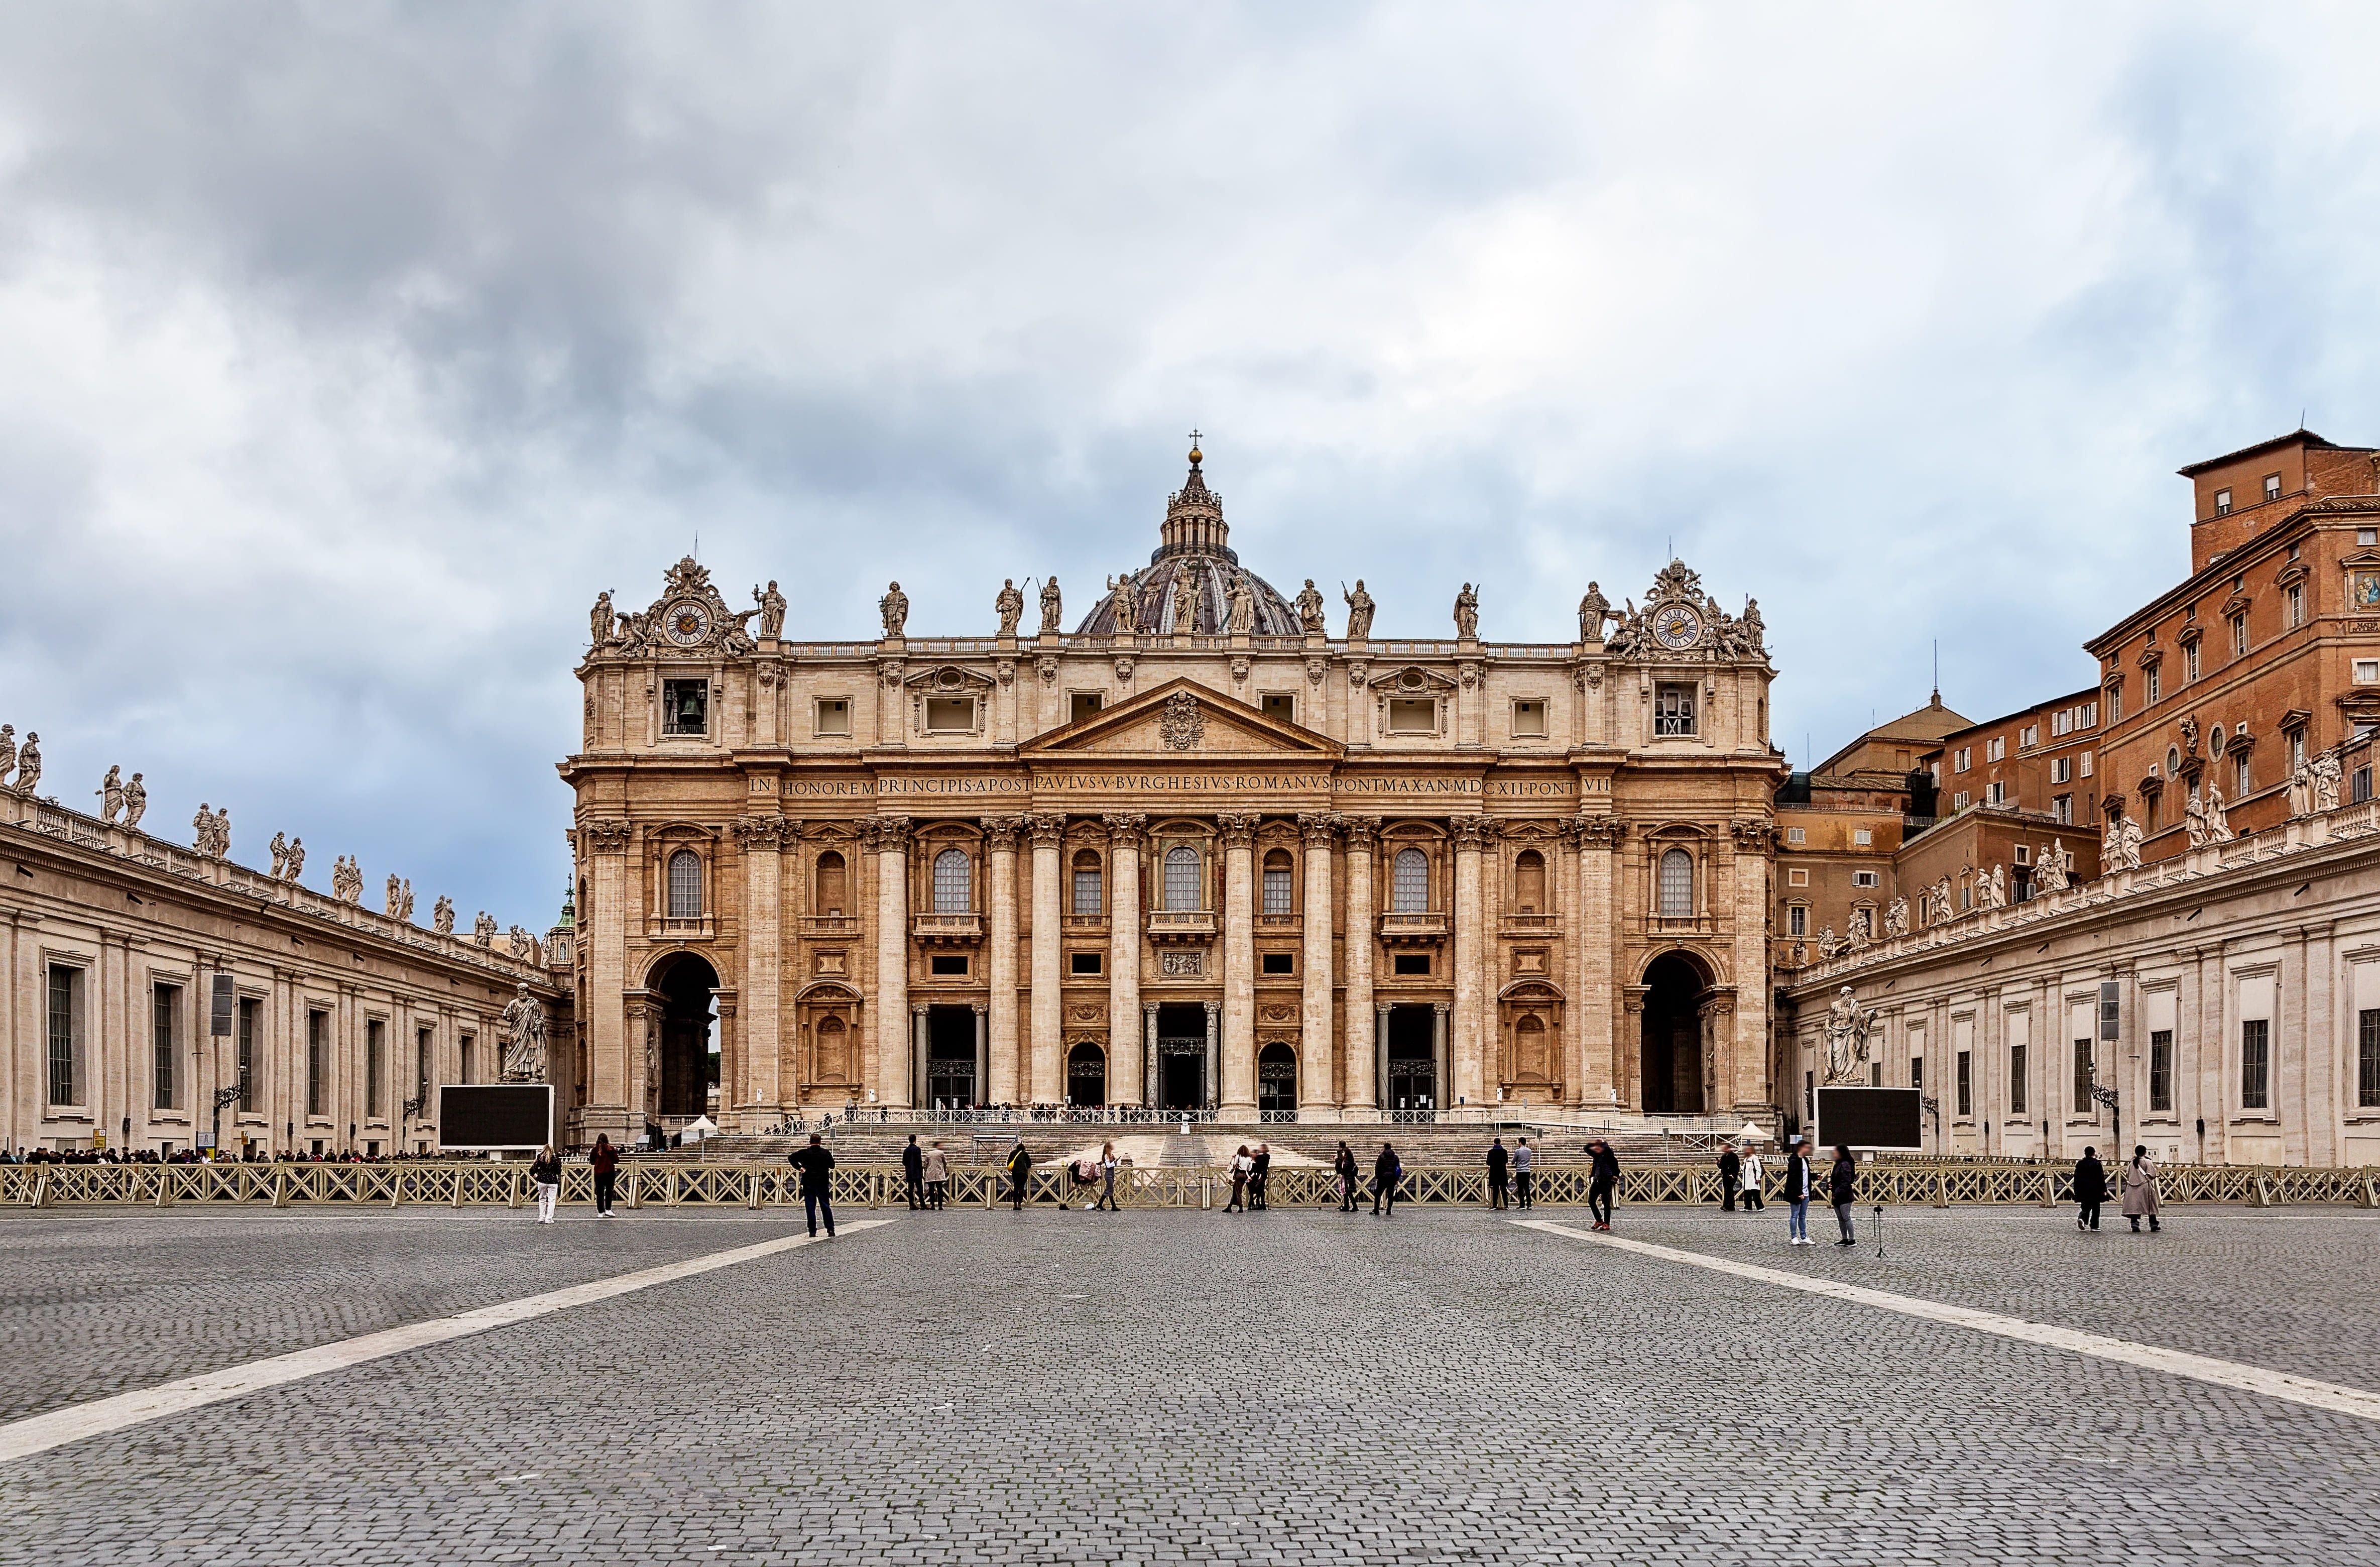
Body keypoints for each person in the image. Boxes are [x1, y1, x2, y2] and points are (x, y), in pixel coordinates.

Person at [790, 1134, 836, 1238]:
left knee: (810, 1208)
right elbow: (832, 1166)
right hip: (822, 1183)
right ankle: (830, 1229)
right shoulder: (825, 1153)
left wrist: (800, 1168)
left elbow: (791, 1158)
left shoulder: (805, 1153)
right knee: (825, 1206)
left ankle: (812, 1231)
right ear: (820, 1142)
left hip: (809, 1183)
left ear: (810, 1142)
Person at [1780, 1136, 1815, 1246]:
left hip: (1806, 1192)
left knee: (1803, 1216)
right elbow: (1793, 1178)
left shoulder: (1805, 1160)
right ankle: (1794, 1236)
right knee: (1794, 1215)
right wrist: (1799, 1192)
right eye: (1807, 1148)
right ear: (1801, 1148)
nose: (1809, 1150)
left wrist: (1815, 1176)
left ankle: (1804, 1236)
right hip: (1796, 1193)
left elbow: (1805, 1175)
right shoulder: (1794, 1161)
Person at [2120, 1145, 2162, 1233]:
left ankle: (2135, 1225)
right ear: (2145, 1152)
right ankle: (2153, 1225)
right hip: (2144, 1187)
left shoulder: (2132, 1163)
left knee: (2135, 1208)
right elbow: (2152, 1174)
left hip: (2132, 1188)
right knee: (2151, 1207)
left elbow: (2128, 1174)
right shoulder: (2148, 1162)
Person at [1586, 1138, 1620, 1232]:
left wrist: (1603, 1144)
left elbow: (1617, 1171)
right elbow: (1586, 1148)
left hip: (1606, 1182)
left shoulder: (1611, 1158)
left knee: (1606, 1204)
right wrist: (1593, 1142)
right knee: (1591, 1201)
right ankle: (1599, 1220)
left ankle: (1607, 1223)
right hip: (1597, 1181)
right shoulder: (1597, 1157)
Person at [2072, 1146, 2107, 1233]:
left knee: (2086, 1205)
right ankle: (2094, 1226)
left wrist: (2076, 1189)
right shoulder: (2097, 1163)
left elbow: (2076, 1178)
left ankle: (2083, 1218)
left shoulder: (2080, 1164)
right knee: (2096, 1207)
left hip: (2083, 1188)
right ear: (2094, 1153)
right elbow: (2101, 1178)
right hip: (2095, 1189)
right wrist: (2104, 1190)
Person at [1829, 1144, 1858, 1246]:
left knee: (1846, 1217)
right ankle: (1845, 1238)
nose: (1834, 1153)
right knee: (1841, 1219)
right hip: (1837, 1194)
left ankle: (1852, 1239)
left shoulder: (1845, 1164)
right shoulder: (1838, 1164)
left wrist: (1836, 1193)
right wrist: (1830, 1186)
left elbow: (1845, 1182)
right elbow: (1836, 1179)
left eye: (1836, 1152)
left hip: (1844, 1195)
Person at [529, 1144, 562, 1224]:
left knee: (542, 1199)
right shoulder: (556, 1159)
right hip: (552, 1181)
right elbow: (559, 1171)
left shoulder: (540, 1158)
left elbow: (533, 1169)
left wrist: (536, 1176)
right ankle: (549, 1218)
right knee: (552, 1200)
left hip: (542, 1180)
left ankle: (542, 1217)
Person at [589, 1133, 619, 1218]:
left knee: (600, 1193)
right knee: (609, 1191)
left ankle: (601, 1212)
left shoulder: (595, 1149)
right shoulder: (611, 1149)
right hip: (610, 1172)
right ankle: (608, 1210)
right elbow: (617, 1160)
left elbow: (592, 1162)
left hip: (599, 1173)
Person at [1372, 1142, 1402, 1217]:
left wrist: (1378, 1177)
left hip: (1382, 1178)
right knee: (1391, 1195)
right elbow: (1398, 1169)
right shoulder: (1396, 1158)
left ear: (1384, 1148)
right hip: (1392, 1178)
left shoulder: (1381, 1157)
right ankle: (1389, 1210)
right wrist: (1396, 1178)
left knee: (1378, 1194)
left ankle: (1376, 1210)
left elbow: (1377, 1168)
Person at [921, 1140, 949, 1210]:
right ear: (937, 1146)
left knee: (931, 1190)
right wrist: (944, 1170)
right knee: (940, 1190)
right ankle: (940, 1206)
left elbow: (925, 1164)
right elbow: (945, 1163)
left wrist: (926, 1170)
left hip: (931, 1173)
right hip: (939, 1173)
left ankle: (932, 1205)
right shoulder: (941, 1153)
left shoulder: (929, 1153)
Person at [1095, 1140, 1121, 1212]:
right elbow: (1108, 1166)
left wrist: (1116, 1160)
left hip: (1112, 1173)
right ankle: (1113, 1206)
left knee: (1108, 1189)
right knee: (1110, 1189)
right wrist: (1115, 1162)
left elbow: (1114, 1163)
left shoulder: (1111, 1155)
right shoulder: (1106, 1156)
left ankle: (1100, 1204)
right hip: (1108, 1174)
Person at [901, 1134, 925, 1211]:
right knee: (920, 1189)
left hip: (909, 1172)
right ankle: (922, 1204)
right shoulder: (917, 1149)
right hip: (917, 1172)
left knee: (911, 1189)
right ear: (915, 1140)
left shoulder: (906, 1150)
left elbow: (904, 1162)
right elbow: (919, 1161)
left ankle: (911, 1205)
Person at [1007, 1139, 1033, 1210]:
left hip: (1015, 1173)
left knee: (1016, 1188)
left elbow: (1008, 1163)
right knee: (1021, 1188)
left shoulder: (1012, 1153)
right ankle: (1019, 1204)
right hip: (1023, 1173)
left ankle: (1015, 1204)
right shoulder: (1025, 1154)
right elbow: (1029, 1165)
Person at [1738, 1143, 1765, 1212]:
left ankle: (1760, 1207)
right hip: (1747, 1179)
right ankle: (1748, 1207)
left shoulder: (1754, 1158)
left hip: (1753, 1179)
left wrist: (1758, 1178)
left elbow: (1758, 1168)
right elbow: (1744, 1168)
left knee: (1755, 1194)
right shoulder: (1746, 1159)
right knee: (1747, 1193)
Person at [1334, 1141, 1360, 1212]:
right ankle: (1347, 1206)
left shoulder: (1347, 1161)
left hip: (1348, 1178)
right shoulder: (1348, 1160)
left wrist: (1341, 1171)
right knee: (1346, 1192)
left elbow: (1345, 1169)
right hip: (1347, 1177)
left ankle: (1354, 1207)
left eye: (1344, 1153)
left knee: (1348, 1192)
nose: (1343, 1154)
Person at [1225, 1145, 1252, 1212]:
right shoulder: (1249, 1159)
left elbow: (1234, 1164)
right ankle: (1229, 1207)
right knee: (1236, 1191)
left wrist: (1233, 1158)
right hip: (1244, 1175)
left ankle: (1241, 1207)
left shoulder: (1239, 1156)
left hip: (1238, 1174)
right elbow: (1249, 1169)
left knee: (1237, 1192)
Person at [1485, 1137, 1510, 1210]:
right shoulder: (1504, 1151)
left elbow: (1488, 1163)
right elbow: (1506, 1161)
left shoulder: (1491, 1152)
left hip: (1494, 1172)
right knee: (1503, 1189)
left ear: (1494, 1143)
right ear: (1500, 1143)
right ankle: (1506, 1205)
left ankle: (1494, 1205)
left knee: (1495, 1189)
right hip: (1502, 1172)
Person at [1716, 1143, 1740, 1212]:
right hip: (1725, 1175)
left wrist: (1734, 1174)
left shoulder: (1734, 1156)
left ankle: (1728, 1206)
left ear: (1728, 1148)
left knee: (1729, 1190)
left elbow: (1737, 1166)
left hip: (1731, 1176)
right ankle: (1730, 1206)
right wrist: (1718, 1163)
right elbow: (1721, 1166)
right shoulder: (1724, 1156)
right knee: (1728, 1191)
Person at [1513, 1137, 1535, 1210]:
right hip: (1527, 1171)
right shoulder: (1529, 1151)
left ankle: (1522, 1205)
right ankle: (1529, 1204)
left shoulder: (1518, 1151)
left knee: (1520, 1188)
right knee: (1527, 1188)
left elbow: (1513, 1161)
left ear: (1520, 1143)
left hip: (1520, 1171)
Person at [1250, 1143, 1271, 1211]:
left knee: (1258, 1187)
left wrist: (1255, 1156)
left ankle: (1260, 1203)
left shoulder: (1266, 1156)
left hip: (1262, 1174)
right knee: (1261, 1188)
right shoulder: (1261, 1157)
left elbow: (1259, 1164)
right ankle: (1261, 1204)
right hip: (1260, 1174)